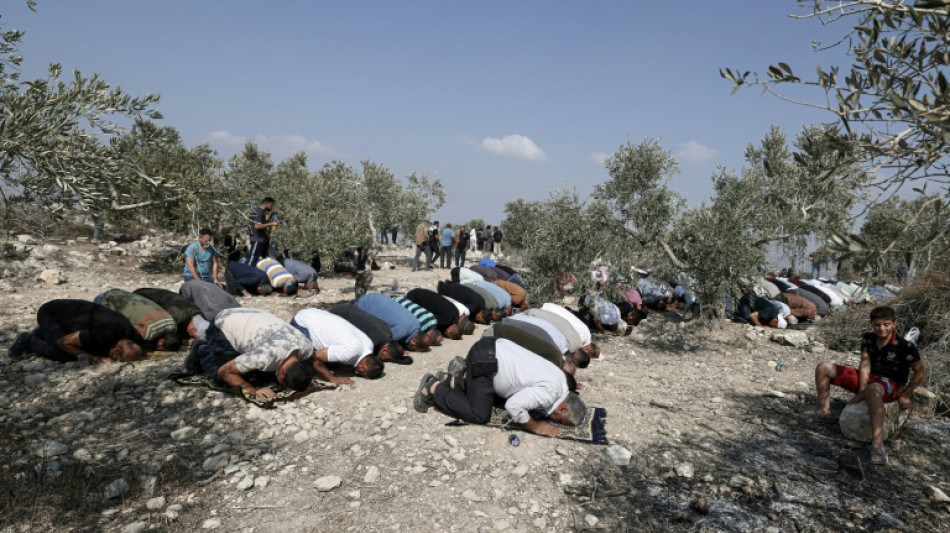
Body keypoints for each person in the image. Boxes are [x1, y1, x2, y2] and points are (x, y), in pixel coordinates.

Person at [814, 306, 926, 466]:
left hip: (890, 383)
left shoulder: (904, 346)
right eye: (877, 325)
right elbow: (865, 364)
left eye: (886, 324)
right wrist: (861, 392)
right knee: (824, 367)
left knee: (873, 389)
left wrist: (906, 394)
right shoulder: (868, 338)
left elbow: (920, 372)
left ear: (894, 323)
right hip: (870, 378)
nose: (882, 328)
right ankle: (825, 412)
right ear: (872, 324)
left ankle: (877, 443)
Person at [414, 337, 587, 437]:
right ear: (563, 408)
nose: (556, 422)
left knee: (493, 401)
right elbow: (513, 406)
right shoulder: (549, 394)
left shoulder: (561, 381)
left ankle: (448, 381)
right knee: (479, 414)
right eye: (561, 421)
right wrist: (535, 426)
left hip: (492, 349)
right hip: (485, 358)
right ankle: (433, 388)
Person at [186, 308, 352, 400]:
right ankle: (201, 347)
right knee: (222, 378)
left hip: (251, 317)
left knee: (255, 373)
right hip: (224, 323)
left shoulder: (305, 347)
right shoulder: (265, 357)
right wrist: (252, 390)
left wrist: (332, 378)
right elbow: (225, 371)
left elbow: (315, 362)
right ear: (280, 372)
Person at [9, 299, 142, 363]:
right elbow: (64, 343)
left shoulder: (129, 332)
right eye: (118, 359)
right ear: (117, 350)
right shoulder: (103, 335)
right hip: (50, 314)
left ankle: (43, 333)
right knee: (64, 354)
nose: (116, 360)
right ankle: (28, 340)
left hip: (70, 318)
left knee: (86, 349)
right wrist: (96, 359)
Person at [290, 308, 385, 379]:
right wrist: (332, 378)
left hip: (315, 313)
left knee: (332, 364)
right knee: (307, 371)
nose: (357, 372)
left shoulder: (369, 345)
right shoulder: (348, 353)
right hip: (302, 322)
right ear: (362, 367)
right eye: (360, 373)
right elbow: (312, 356)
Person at [96, 288, 181, 352]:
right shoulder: (150, 333)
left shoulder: (172, 324)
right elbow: (129, 339)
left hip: (119, 292)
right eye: (162, 350)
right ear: (161, 342)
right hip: (105, 300)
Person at [328, 303, 412, 364]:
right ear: (385, 349)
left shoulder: (388, 332)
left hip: (347, 307)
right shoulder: (372, 342)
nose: (381, 360)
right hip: (336, 314)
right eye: (385, 359)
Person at [355, 293, 430, 352]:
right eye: (414, 349)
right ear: (413, 341)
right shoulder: (401, 331)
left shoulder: (416, 323)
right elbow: (384, 341)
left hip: (376, 296)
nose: (412, 349)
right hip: (363, 305)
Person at [134, 288, 209, 344]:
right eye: (193, 336)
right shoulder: (176, 317)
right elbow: (161, 335)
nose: (192, 337)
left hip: (148, 292)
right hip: (141, 297)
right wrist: (184, 341)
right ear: (193, 330)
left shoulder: (197, 312)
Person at [404, 288, 473, 340]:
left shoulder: (456, 313)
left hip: (419, 291)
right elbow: (428, 320)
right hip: (414, 298)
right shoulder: (445, 319)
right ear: (449, 330)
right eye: (447, 335)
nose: (444, 335)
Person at [247, 197, 279, 264]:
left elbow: (262, 222)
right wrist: (271, 223)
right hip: (257, 239)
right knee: (251, 260)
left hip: (260, 240)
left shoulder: (261, 212)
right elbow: (257, 226)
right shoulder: (258, 212)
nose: (271, 207)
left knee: (256, 260)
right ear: (265, 203)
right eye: (271, 205)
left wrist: (270, 214)